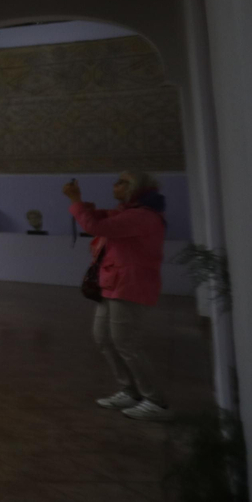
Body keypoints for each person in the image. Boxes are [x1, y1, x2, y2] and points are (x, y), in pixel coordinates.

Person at [64, 172, 171, 421]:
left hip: (130, 285)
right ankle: (130, 390)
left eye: (122, 182)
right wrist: (81, 204)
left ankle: (155, 400)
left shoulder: (143, 216)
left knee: (127, 343)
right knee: (103, 338)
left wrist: (76, 199)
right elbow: (102, 216)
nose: (115, 185)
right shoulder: (129, 211)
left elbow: (97, 226)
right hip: (112, 283)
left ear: (135, 187)